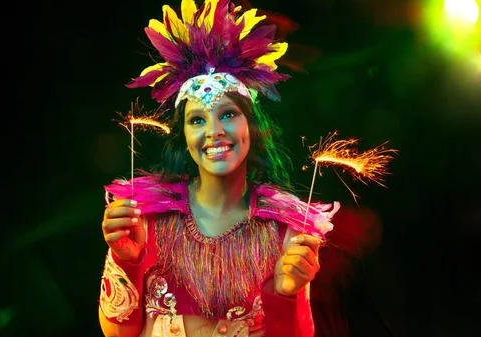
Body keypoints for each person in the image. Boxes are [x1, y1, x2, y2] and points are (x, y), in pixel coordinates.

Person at [98, 1, 340, 336]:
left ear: (250, 126)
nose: (214, 131)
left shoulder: (286, 231)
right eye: (197, 120)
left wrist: (287, 293)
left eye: (227, 114)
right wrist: (126, 258)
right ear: (184, 135)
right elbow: (116, 332)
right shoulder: (146, 216)